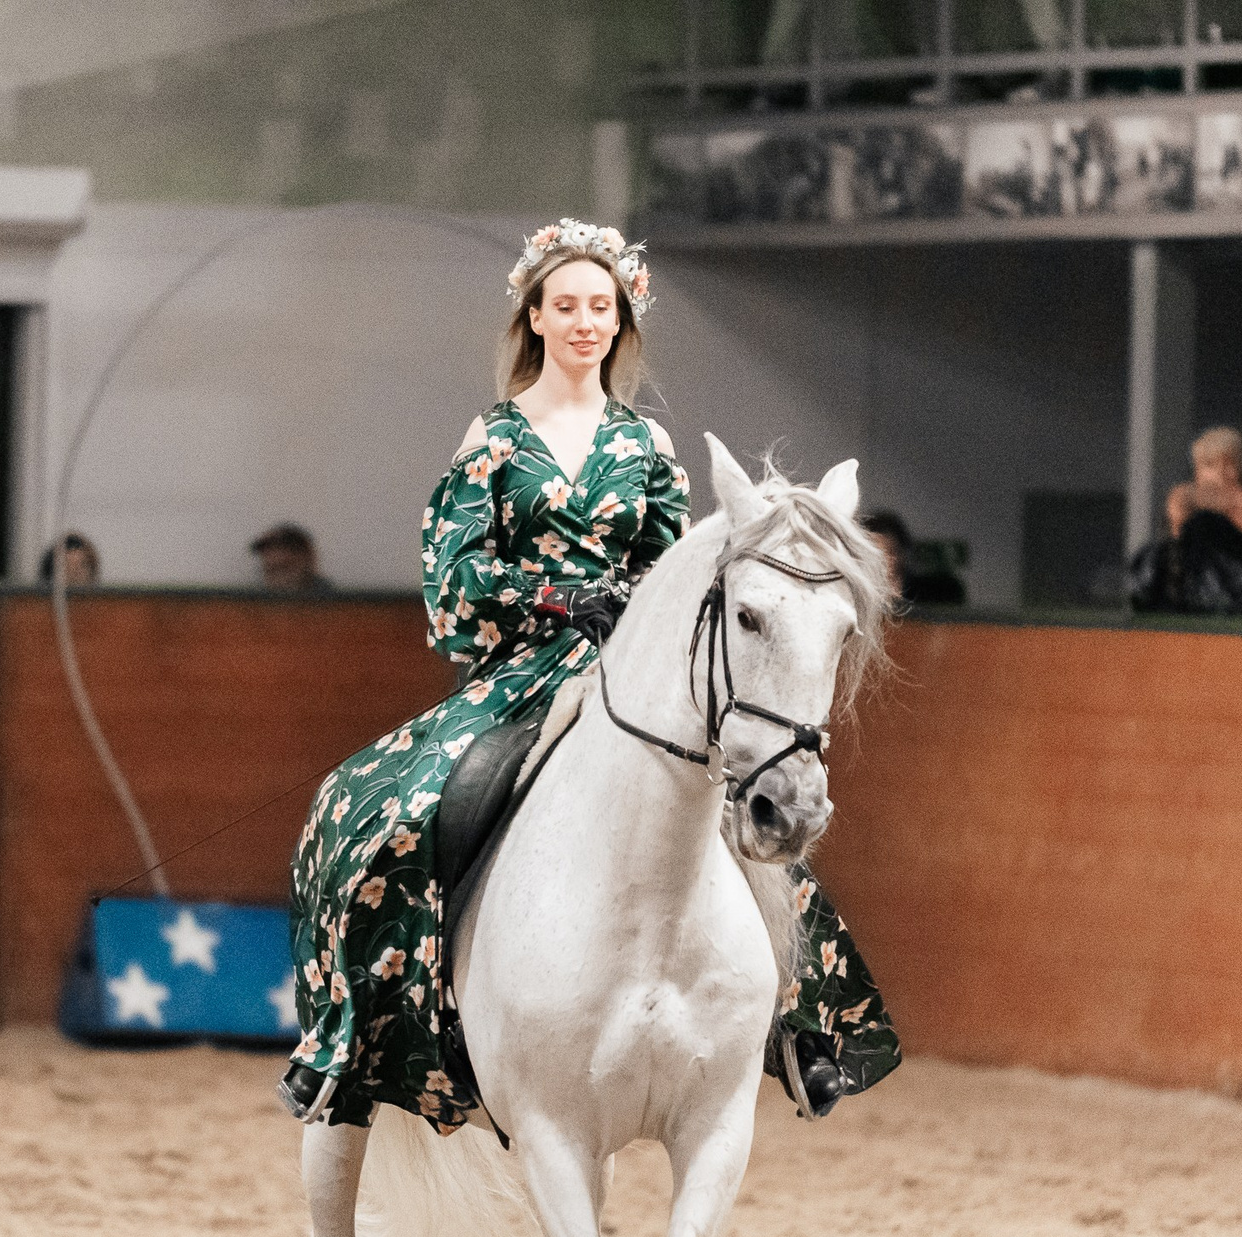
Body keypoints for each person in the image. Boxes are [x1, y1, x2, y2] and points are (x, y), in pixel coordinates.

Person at [276, 218, 900, 1131]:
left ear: (620, 322)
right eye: (564, 305)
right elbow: (448, 578)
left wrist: (632, 606)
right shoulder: (491, 440)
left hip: (634, 673)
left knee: (748, 823)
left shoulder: (646, 446)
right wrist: (555, 599)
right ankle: (350, 1041)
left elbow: (679, 578)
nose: (582, 322)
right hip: (517, 671)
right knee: (383, 807)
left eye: (598, 307)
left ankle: (799, 1026)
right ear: (534, 317)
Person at [1127, 425, 1242, 617]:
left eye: (1229, 464)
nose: (1221, 474)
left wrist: (1238, 516)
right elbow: (1168, 580)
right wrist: (1178, 524)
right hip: (1200, 608)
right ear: (1197, 474)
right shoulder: (1193, 519)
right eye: (1209, 465)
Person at [863, 509, 967, 606]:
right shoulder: (857, 596)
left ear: (902, 554)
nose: (885, 561)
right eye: (877, 555)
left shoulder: (940, 591)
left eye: (890, 552)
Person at [252, 522, 332, 593]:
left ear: (307, 557)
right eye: (272, 570)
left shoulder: (332, 601)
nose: (273, 559)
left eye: (283, 568)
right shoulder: (255, 602)